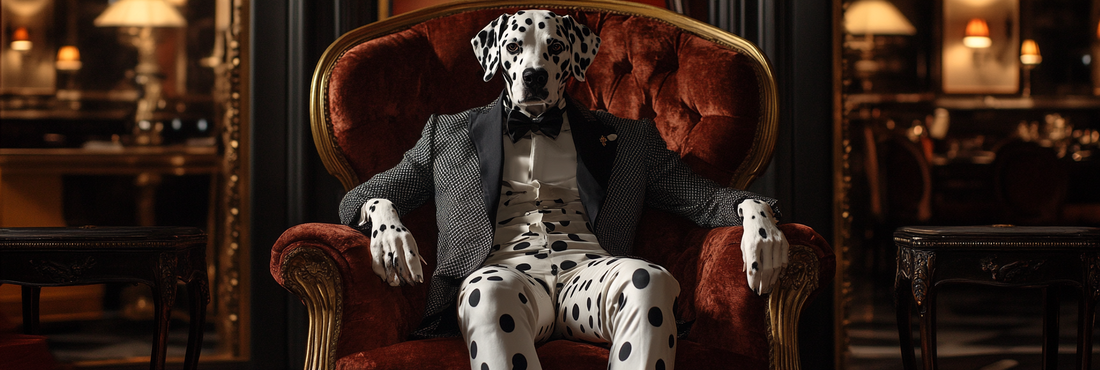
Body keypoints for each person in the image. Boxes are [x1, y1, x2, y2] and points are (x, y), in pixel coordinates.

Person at [339, 10, 788, 370]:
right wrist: (382, 216)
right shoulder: (449, 136)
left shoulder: (630, 140)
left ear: (574, 58)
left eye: (551, 50)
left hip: (588, 278)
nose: (534, 65)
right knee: (484, 294)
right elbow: (359, 198)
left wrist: (756, 214)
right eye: (517, 49)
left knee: (650, 282)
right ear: (495, 56)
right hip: (505, 279)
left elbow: (704, 199)